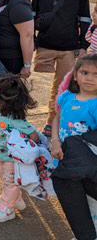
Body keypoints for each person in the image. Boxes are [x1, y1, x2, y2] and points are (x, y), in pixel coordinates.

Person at [32, 0, 91, 137]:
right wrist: (31, 40)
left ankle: (52, 122)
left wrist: (83, 46)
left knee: (61, 88)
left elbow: (85, 22)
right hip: (44, 48)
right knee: (31, 83)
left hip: (68, 49)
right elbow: (31, 18)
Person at [0, 75, 39, 223]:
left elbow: (34, 135)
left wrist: (27, 147)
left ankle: (7, 208)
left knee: (10, 182)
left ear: (4, 100)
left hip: (12, 160)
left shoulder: (16, 119)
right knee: (5, 179)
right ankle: (16, 199)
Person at [51, 54, 97, 240]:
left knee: (91, 204)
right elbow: (57, 117)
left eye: (96, 74)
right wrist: (55, 140)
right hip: (63, 157)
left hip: (87, 166)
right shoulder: (66, 97)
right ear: (75, 75)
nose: (90, 78)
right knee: (74, 200)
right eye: (85, 72)